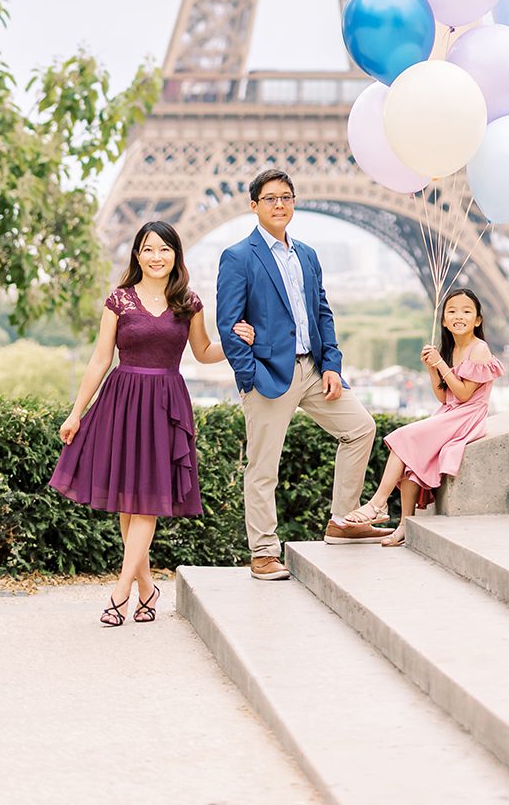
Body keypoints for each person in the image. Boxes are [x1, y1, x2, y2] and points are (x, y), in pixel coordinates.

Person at [49, 219, 253, 626]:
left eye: (164, 249)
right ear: (137, 255)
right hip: (121, 400)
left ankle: (120, 591)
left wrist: (235, 339)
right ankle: (147, 588)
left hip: (165, 403)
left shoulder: (188, 302)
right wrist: (76, 412)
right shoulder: (119, 300)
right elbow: (99, 359)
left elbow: (203, 351)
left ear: (175, 254)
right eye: (147, 249)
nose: (156, 256)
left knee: (145, 503)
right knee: (128, 503)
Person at [216, 169, 389, 579]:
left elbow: (322, 312)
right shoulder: (239, 257)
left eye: (287, 197)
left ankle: (342, 521)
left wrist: (331, 365)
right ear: (254, 205)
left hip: (312, 369)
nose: (280, 205)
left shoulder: (307, 255)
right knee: (263, 468)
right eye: (271, 198)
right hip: (269, 376)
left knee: (361, 428)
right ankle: (262, 552)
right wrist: (249, 377)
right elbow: (228, 325)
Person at [341, 288, 502, 543]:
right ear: (443, 320)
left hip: (467, 417)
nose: (458, 316)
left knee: (405, 436)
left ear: (478, 320)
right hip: (450, 414)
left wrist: (440, 364)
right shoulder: (450, 349)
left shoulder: (479, 349)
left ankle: (377, 503)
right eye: (452, 311)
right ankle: (404, 527)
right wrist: (432, 369)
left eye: (466, 311)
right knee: (411, 464)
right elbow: (444, 397)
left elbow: (463, 396)